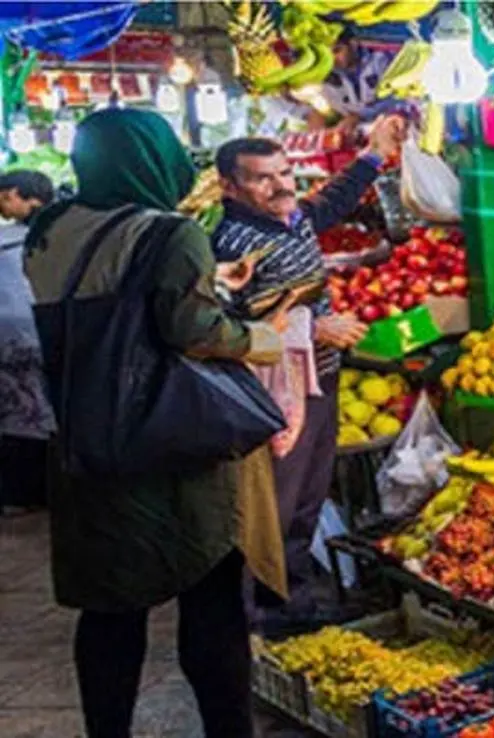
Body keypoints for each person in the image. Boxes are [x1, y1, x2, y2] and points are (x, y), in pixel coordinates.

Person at [23, 108, 284, 738]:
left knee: (110, 609)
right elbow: (191, 329)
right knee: (211, 597)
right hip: (169, 444)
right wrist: (261, 338)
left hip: (84, 440)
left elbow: (106, 298)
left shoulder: (48, 229)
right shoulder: (170, 232)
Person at [211, 114, 405, 629]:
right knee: (272, 503)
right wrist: (313, 331)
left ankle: (291, 597)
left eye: (284, 172)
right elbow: (222, 324)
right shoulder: (229, 243)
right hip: (271, 393)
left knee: (305, 498)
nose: (281, 185)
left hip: (317, 379)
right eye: (263, 177)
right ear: (229, 186)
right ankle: (257, 609)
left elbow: (329, 203)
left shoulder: (289, 217)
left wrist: (373, 153)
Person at [0, 170, 56, 516]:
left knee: (15, 415)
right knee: (41, 411)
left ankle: (21, 492)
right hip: (45, 332)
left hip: (11, 337)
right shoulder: (63, 233)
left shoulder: (9, 240)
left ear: (17, 195)